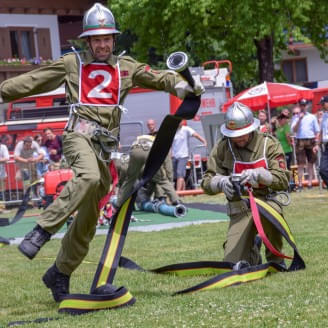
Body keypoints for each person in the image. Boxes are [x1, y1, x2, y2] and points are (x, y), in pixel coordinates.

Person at [0, 3, 204, 302]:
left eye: (107, 38)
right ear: (88, 41)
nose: (102, 44)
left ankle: (60, 272)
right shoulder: (72, 63)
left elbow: (161, 78)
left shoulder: (127, 67)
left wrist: (185, 85)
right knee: (88, 176)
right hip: (78, 135)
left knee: (88, 218)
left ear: (113, 39)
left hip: (105, 146)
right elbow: (30, 82)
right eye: (96, 39)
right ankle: (41, 231)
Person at [201, 102, 290, 267]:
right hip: (240, 206)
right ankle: (252, 252)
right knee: (231, 264)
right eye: (234, 134)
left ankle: (276, 260)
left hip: (267, 202)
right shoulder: (222, 147)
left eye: (243, 133)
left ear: (252, 128)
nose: (239, 138)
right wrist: (220, 182)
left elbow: (284, 180)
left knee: (272, 216)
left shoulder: (268, 144)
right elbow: (206, 181)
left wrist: (263, 176)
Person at [116, 134, 180, 208]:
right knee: (162, 180)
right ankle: (176, 201)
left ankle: (118, 203)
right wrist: (170, 180)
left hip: (134, 151)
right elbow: (168, 166)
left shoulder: (143, 137)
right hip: (148, 152)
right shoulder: (162, 143)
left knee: (130, 180)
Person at [291, 99, 320, 190]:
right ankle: (300, 184)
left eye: (304, 105)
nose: (303, 107)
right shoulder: (295, 117)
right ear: (299, 106)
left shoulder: (312, 117)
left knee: (310, 163)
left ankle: (310, 183)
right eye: (301, 105)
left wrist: (316, 143)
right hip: (300, 140)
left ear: (306, 106)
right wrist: (299, 119)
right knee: (300, 164)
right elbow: (294, 130)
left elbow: (317, 131)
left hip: (311, 140)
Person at [172, 120, 207, 191]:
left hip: (183, 156)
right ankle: (183, 192)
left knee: (180, 174)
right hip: (175, 156)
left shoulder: (186, 129)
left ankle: (178, 193)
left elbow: (196, 135)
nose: (180, 122)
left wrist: (204, 141)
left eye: (181, 121)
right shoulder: (173, 130)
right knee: (178, 176)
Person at [318, 96, 328, 189]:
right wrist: (317, 144)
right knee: (322, 170)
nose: (321, 106)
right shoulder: (324, 116)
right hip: (326, 146)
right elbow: (321, 131)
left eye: (323, 104)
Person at [0, 136, 10, 213]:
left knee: (1, 192)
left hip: (1, 174)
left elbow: (7, 158)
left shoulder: (3, 147)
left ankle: (2, 209)